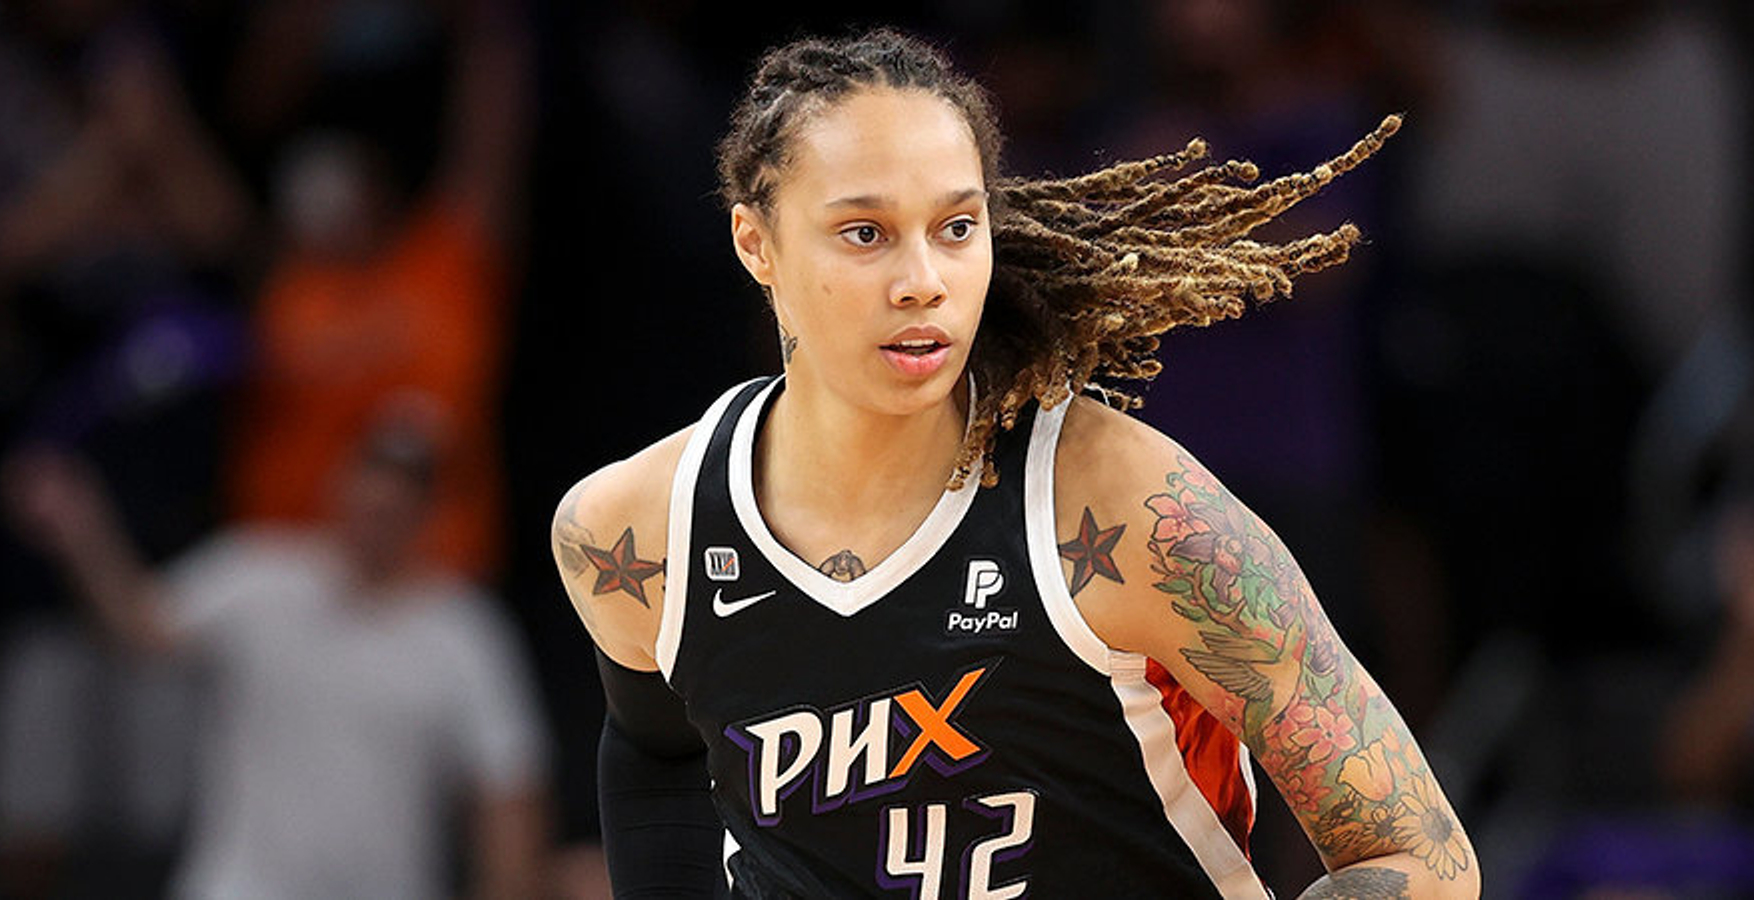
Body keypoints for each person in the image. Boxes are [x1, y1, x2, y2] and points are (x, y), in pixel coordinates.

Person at [551, 29, 1477, 899]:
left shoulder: (1126, 508)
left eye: (956, 227)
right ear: (756, 243)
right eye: (865, 233)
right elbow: (653, 755)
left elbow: (1422, 856)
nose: (923, 281)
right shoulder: (635, 533)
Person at [6, 400, 550, 900]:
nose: (383, 499)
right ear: (340, 479)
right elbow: (142, 628)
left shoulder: (464, 631)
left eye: (406, 487)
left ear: (430, 508)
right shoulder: (257, 576)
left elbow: (507, 789)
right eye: (372, 473)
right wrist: (81, 525)